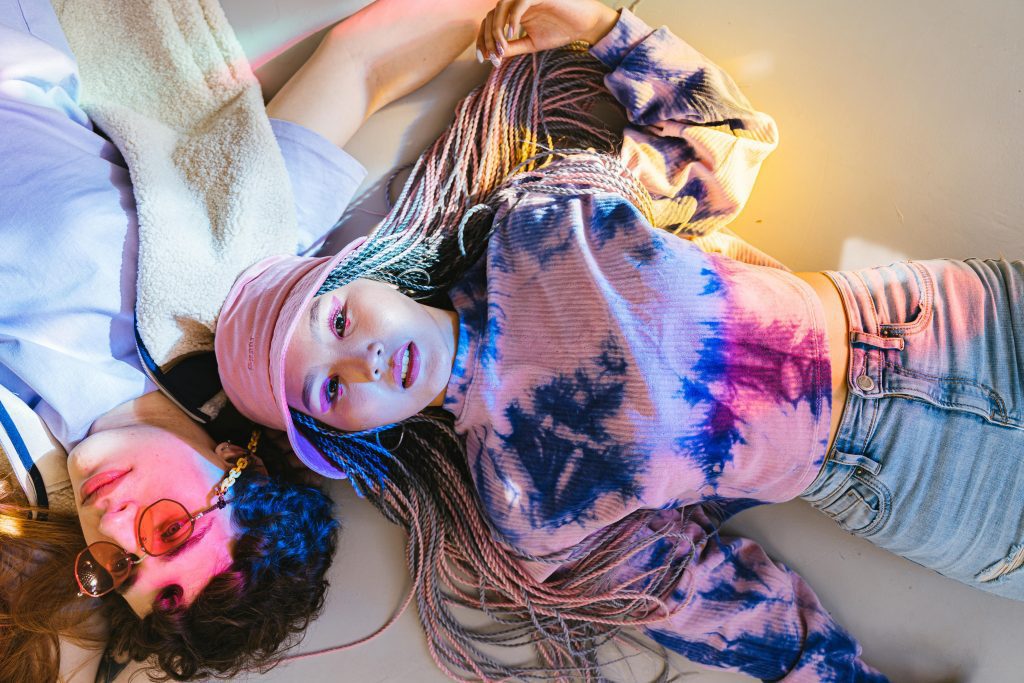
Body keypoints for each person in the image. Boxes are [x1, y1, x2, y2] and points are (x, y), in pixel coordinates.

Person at [216, 0, 1024, 680]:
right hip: (939, 494)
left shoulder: (539, 218)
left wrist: (602, 25)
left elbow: (723, 140)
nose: (361, 361)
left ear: (364, 275)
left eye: (336, 322)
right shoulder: (523, 507)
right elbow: (699, 592)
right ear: (350, 435)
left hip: (956, 320)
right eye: (329, 389)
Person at [0, 0, 498, 679]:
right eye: (170, 529)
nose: (112, 526)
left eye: (120, 567)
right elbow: (361, 67)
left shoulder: (26, 473)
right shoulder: (244, 308)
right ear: (240, 464)